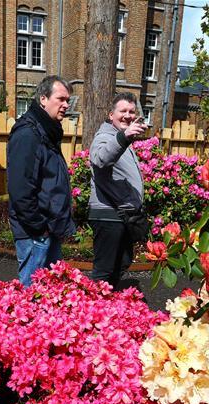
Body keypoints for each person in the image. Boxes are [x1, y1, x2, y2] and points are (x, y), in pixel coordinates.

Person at [6, 75, 76, 287]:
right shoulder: (28, 134)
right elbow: (20, 190)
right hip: (35, 233)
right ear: (43, 99)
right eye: (61, 99)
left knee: (50, 294)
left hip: (48, 230)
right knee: (32, 297)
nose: (66, 105)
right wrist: (39, 228)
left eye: (68, 100)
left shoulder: (47, 132)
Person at [88, 92, 147, 289]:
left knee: (120, 264)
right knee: (104, 272)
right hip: (108, 214)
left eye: (132, 111)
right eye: (123, 111)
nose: (128, 115)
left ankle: (110, 307)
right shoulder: (105, 136)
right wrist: (124, 136)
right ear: (111, 114)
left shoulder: (120, 137)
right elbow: (100, 158)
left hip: (121, 215)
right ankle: (93, 312)